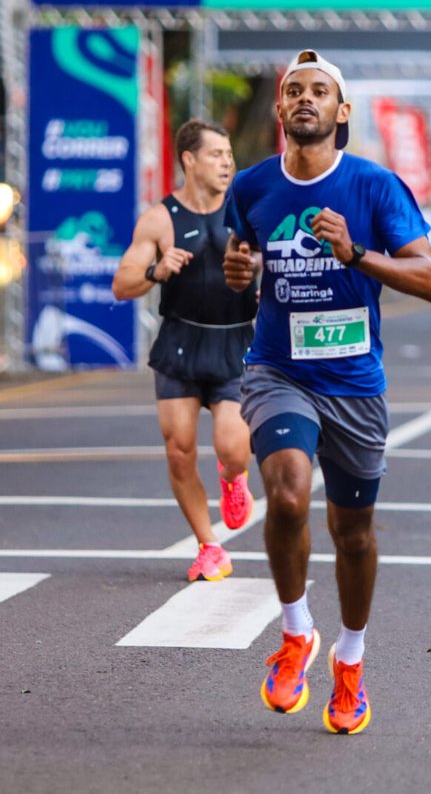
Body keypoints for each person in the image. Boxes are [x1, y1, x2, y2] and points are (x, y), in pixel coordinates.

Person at [223, 48, 431, 736]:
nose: (305, 99)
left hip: (353, 380)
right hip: (278, 368)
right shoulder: (253, 188)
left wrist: (355, 255)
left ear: (341, 112)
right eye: (294, 90)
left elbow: (430, 278)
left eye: (320, 91)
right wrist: (238, 272)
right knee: (286, 494)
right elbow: (245, 269)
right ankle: (295, 633)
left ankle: (350, 657)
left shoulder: (375, 187)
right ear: (281, 109)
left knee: (353, 532)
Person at [113, 118, 258, 582]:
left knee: (233, 448)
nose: (227, 163)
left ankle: (233, 479)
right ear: (189, 160)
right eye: (217, 154)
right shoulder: (160, 219)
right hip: (180, 342)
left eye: (229, 155)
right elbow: (121, 284)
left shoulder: (249, 211)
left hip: (235, 340)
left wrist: (263, 280)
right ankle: (209, 545)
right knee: (179, 450)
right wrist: (157, 270)